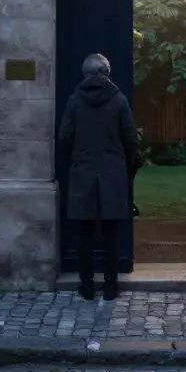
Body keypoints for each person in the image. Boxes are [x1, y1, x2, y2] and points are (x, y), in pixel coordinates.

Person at [57, 53, 140, 301]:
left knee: (84, 235)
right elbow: (131, 139)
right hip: (112, 174)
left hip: (83, 173)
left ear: (85, 74)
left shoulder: (75, 101)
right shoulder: (119, 101)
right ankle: (111, 286)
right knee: (111, 235)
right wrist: (127, 168)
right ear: (107, 72)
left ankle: (87, 285)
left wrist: (75, 161)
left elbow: (64, 139)